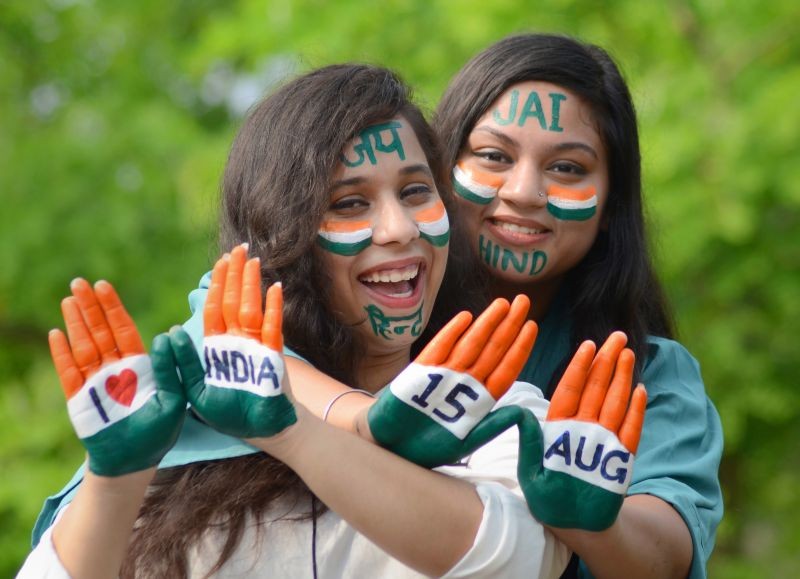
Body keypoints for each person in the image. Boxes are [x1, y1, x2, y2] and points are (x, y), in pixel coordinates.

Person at [21, 63, 643, 578]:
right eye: (349, 203)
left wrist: (293, 434)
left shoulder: (504, 410)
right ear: (284, 235)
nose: (399, 229)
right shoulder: (184, 415)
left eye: (416, 191)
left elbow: (508, 560)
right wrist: (115, 479)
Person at [430, 33, 724, 578]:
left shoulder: (653, 376)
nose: (522, 191)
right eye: (493, 156)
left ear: (611, 204)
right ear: (438, 169)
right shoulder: (371, 323)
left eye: (566, 168)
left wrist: (590, 522)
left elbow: (664, 553)